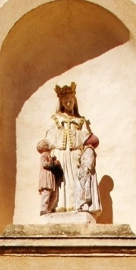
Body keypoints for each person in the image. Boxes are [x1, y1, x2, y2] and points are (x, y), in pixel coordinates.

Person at [43, 83, 92, 213]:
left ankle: (76, 205)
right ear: (61, 102)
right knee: (60, 180)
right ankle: (58, 206)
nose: (68, 103)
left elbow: (86, 138)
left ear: (74, 100)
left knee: (75, 177)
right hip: (60, 154)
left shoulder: (80, 120)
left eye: (70, 100)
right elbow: (49, 138)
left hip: (75, 154)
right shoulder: (55, 119)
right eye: (65, 101)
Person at [75, 133, 101, 216]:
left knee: (86, 189)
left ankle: (85, 206)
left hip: (87, 173)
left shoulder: (89, 150)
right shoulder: (87, 150)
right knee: (83, 189)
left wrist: (85, 169)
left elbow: (89, 162)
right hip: (85, 172)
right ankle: (83, 206)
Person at [37, 139, 60, 214]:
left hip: (50, 176)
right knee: (46, 192)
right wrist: (52, 163)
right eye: (46, 145)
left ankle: (48, 209)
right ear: (44, 147)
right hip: (46, 176)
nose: (48, 146)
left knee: (54, 195)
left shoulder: (48, 155)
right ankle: (43, 209)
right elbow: (44, 164)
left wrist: (54, 162)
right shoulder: (44, 155)